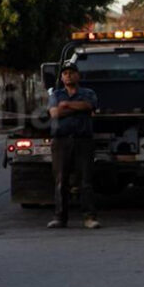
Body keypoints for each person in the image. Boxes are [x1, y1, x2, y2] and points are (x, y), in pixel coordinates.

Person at [47, 61, 101, 229]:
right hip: (61, 141)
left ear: (78, 75)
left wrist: (67, 105)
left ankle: (89, 217)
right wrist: (78, 108)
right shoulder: (56, 95)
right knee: (61, 180)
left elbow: (89, 105)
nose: (68, 75)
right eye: (65, 73)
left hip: (82, 140)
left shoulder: (88, 93)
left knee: (85, 180)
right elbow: (54, 112)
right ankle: (60, 217)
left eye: (71, 72)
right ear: (62, 78)